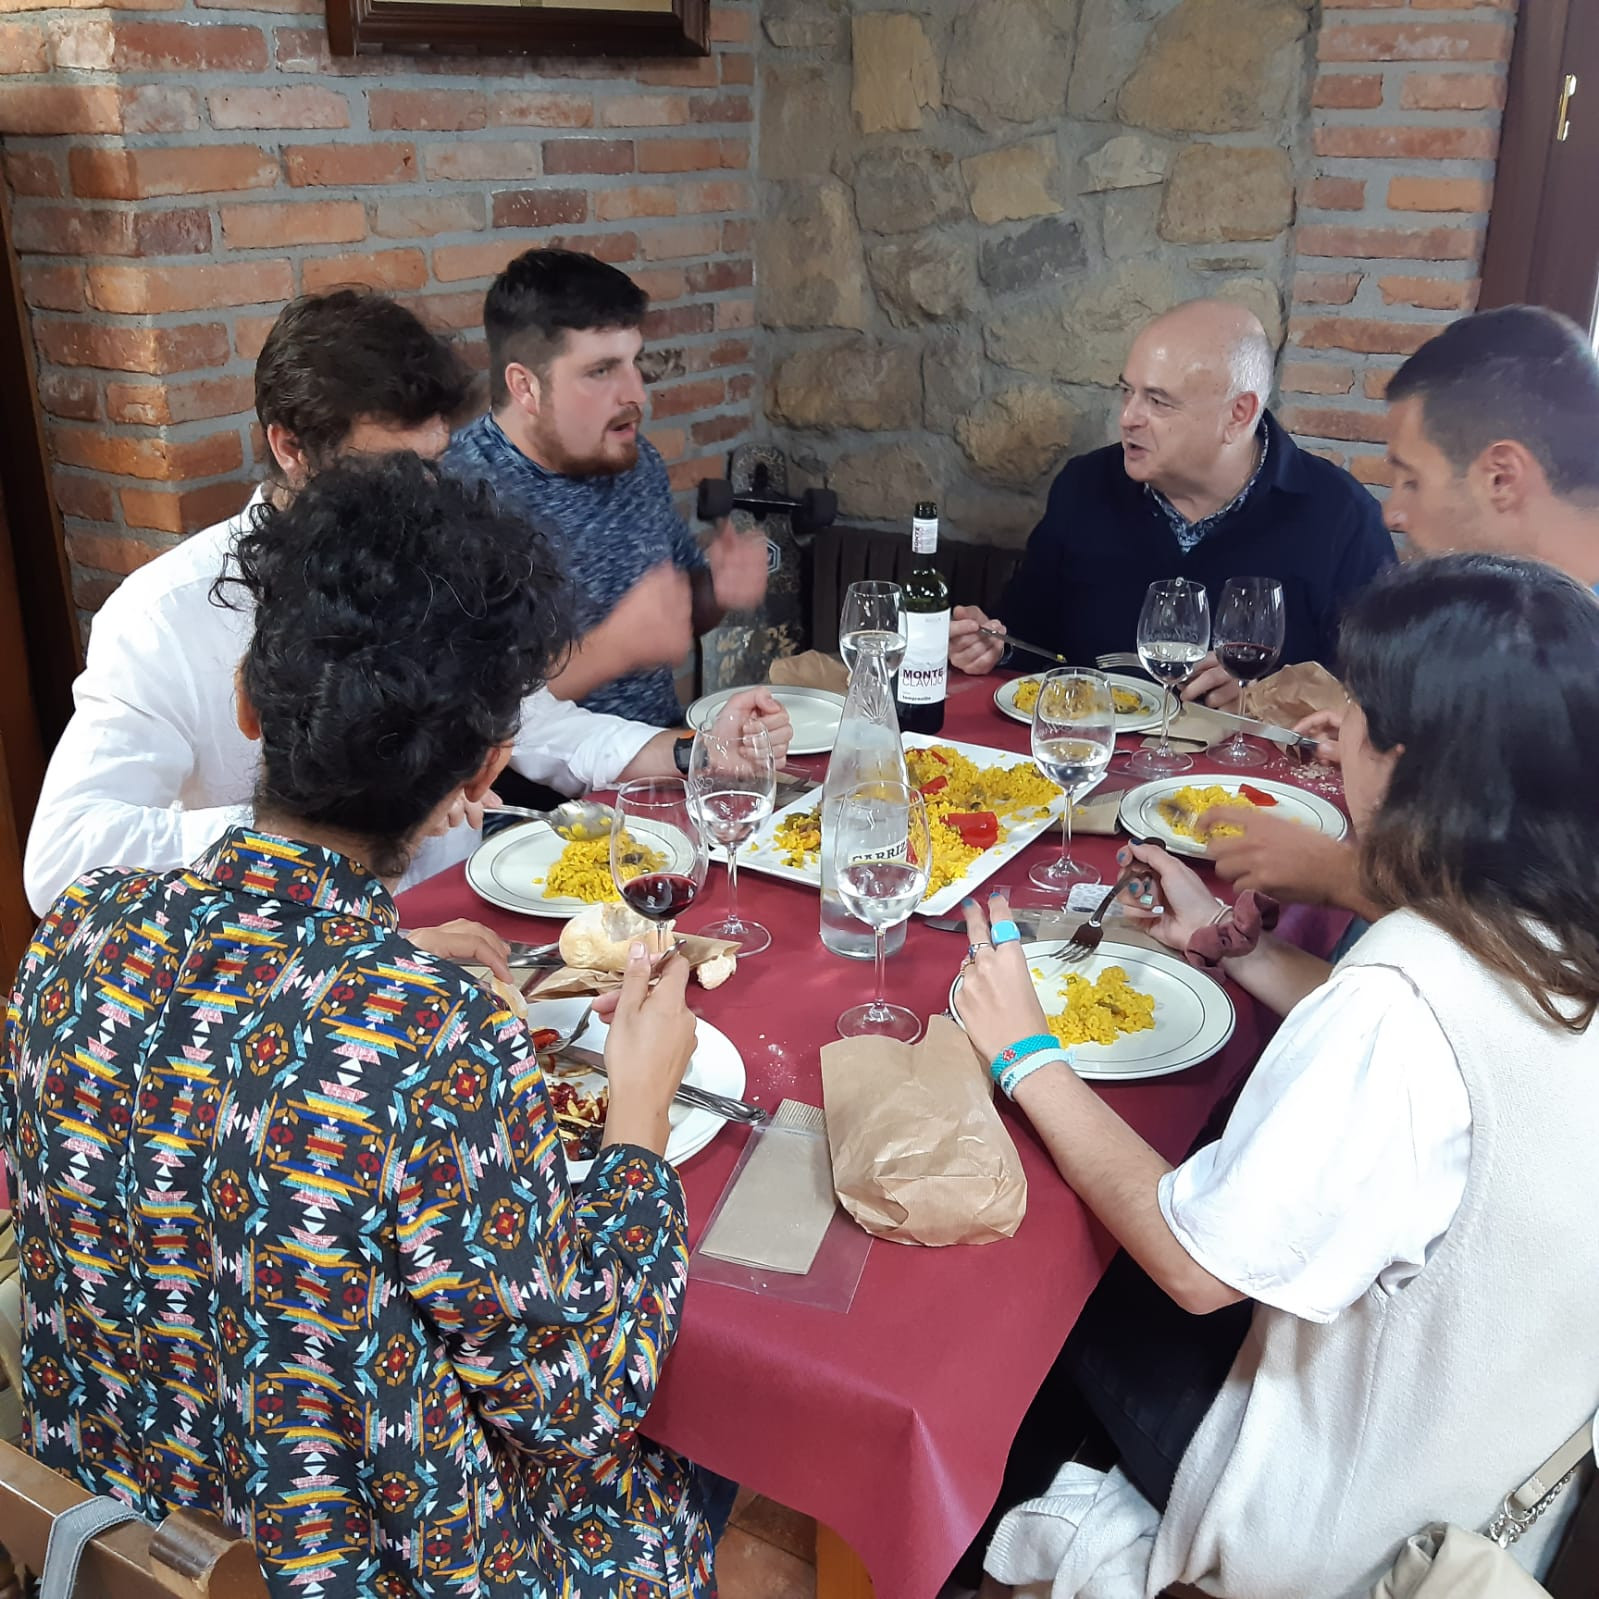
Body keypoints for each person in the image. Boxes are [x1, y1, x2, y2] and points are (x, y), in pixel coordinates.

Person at [2, 454, 720, 1597]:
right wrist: (637, 1115)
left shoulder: (80, 933)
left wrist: (368, 975)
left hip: (111, 1530)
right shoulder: (431, 1036)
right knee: (690, 1474)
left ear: (249, 700)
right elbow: (579, 1397)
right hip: (352, 1561)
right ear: (477, 781)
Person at [954, 554, 1599, 1598]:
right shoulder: (1549, 926)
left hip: (1352, 1513)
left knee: (1011, 1328)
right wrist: (1233, 948)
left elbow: (1194, 1270)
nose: (1330, 734)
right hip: (1500, 1444)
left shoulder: (1394, 1005)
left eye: (1363, 715)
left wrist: (1027, 1056)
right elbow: (1446, 1078)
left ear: (1433, 767)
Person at [23, 288, 792, 952]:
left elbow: (537, 721)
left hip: (466, 917)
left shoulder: (430, 560)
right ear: (290, 446)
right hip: (290, 962)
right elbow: (64, 857)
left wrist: (694, 754)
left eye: (434, 464)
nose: (424, 493)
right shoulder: (165, 615)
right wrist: (331, 826)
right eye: (394, 468)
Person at [1206, 304, 1599, 914]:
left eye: (1411, 480)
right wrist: (1407, 753)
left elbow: (1556, 950)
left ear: (1501, 477)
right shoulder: (1525, 625)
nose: (1393, 514)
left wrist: (1348, 879)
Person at [948, 300, 1395, 702]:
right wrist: (991, 646)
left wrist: (1267, 695)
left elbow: (1379, 697)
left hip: (1250, 788)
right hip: (1091, 762)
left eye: (1158, 402)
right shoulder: (1084, 486)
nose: (1127, 418)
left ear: (1237, 415)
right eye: (1127, 391)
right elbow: (1026, 640)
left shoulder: (1340, 516)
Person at [446, 248, 770, 726]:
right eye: (601, 371)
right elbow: (463, 712)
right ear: (525, 387)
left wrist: (716, 591)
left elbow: (674, 621)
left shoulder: (635, 463)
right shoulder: (454, 495)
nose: (636, 393)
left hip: (666, 763)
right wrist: (613, 648)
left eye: (633, 362)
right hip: (537, 798)